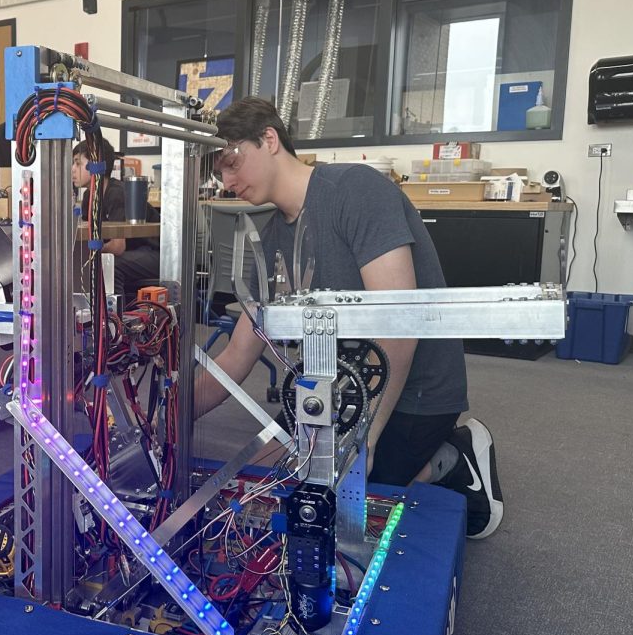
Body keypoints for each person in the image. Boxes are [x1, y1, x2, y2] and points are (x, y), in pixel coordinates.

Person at [193, 97, 501, 539]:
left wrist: (365, 440)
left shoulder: (356, 190)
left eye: (231, 162)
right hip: (339, 391)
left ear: (269, 139)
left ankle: (453, 458)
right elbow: (239, 352)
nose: (226, 180)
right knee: (265, 486)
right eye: (219, 171)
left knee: (346, 506)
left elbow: (399, 325)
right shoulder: (270, 237)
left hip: (415, 390)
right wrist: (172, 416)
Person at [72, 138, 162, 301]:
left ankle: (117, 319)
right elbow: (88, 236)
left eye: (77, 163)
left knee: (111, 266)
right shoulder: (88, 196)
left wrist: (86, 254)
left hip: (153, 253)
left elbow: (117, 246)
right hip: (132, 253)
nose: (72, 169)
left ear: (96, 164)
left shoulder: (117, 193)